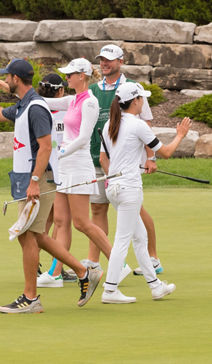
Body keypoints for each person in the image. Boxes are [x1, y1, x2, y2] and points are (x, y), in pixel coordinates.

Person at [0, 58, 101, 314]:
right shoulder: (23, 105)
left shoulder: (36, 107)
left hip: (37, 179)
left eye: (7, 77)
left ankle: (31, 298)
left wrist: (35, 181)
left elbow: (46, 146)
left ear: (16, 79)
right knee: (36, 235)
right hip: (25, 179)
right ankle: (84, 272)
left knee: (26, 235)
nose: (5, 80)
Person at [100, 82, 191, 303]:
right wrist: (180, 135)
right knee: (123, 240)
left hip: (114, 187)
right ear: (135, 101)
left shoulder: (110, 124)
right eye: (142, 98)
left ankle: (155, 286)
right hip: (129, 188)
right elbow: (167, 152)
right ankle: (110, 290)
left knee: (139, 238)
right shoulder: (137, 125)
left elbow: (105, 159)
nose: (144, 102)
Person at [36, 58, 118, 288]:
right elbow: (41, 101)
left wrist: (60, 151)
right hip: (66, 166)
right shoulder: (73, 100)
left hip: (79, 165)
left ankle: (117, 264)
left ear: (82, 75)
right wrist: (15, 90)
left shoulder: (89, 102)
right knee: (61, 220)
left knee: (82, 223)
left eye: (70, 74)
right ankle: (54, 274)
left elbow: (83, 138)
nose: (67, 77)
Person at [87, 44, 163, 276]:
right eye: (101, 59)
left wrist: (151, 157)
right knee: (98, 208)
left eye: (109, 59)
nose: (104, 63)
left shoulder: (133, 89)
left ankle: (153, 258)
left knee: (135, 209)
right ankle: (93, 261)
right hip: (97, 156)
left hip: (127, 160)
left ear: (121, 61)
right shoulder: (92, 89)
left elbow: (146, 123)